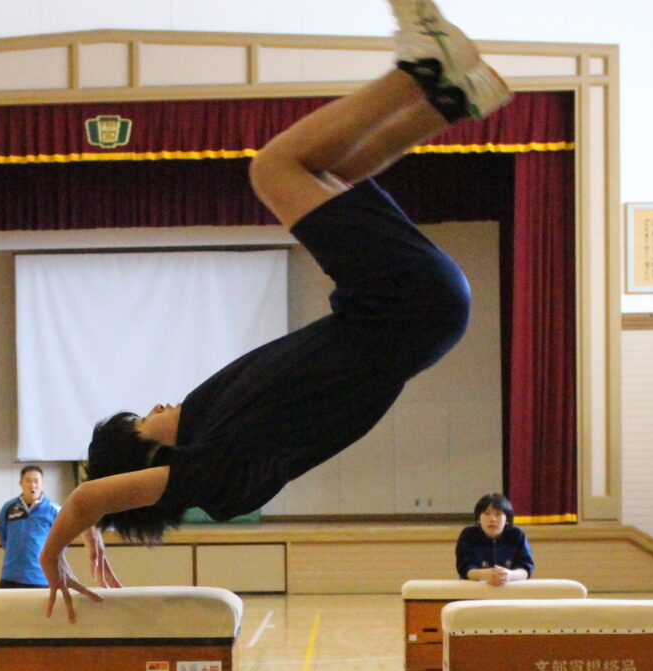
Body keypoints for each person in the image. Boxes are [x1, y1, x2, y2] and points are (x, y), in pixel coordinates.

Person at [36, 0, 511, 618]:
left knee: (325, 170)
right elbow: (83, 500)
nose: (154, 407)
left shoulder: (208, 426)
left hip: (407, 311)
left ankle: (453, 95)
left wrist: (103, 517)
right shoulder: (213, 475)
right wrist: (57, 552)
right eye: (141, 423)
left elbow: (98, 498)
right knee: (273, 167)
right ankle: (422, 70)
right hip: (402, 310)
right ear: (151, 460)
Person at [0, 465, 60, 589]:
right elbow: (3, 536)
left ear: (42, 484)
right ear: (21, 483)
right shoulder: (8, 508)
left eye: (36, 481)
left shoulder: (54, 510)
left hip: (41, 578)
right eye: (28, 481)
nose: (32, 485)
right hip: (10, 577)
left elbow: (62, 541)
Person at [455, 492, 533, 583]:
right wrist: (487, 575)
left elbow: (526, 569)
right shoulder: (468, 535)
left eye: (498, 514)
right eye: (487, 514)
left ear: (507, 520)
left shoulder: (517, 535)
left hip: (510, 588)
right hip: (475, 589)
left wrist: (510, 575)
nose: (492, 519)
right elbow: (464, 568)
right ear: (478, 519)